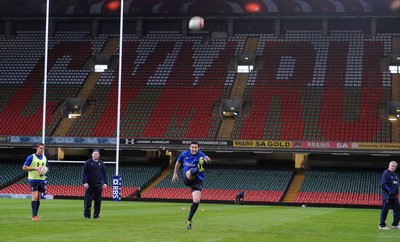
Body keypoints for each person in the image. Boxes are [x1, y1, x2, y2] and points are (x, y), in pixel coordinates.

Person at [172, 141, 211, 230]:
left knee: (196, 200)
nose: (194, 149)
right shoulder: (184, 154)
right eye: (192, 147)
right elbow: (178, 163)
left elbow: (207, 159)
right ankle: (198, 168)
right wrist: (175, 174)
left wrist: (208, 159)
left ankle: (189, 220)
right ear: (190, 148)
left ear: (198, 148)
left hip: (197, 180)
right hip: (187, 176)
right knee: (190, 173)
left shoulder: (201, 154)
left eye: (195, 147)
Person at [22, 143, 48, 221]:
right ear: (37, 148)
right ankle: (33, 216)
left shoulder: (45, 158)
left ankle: (36, 215)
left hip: (42, 179)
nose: (42, 150)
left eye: (43, 148)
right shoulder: (31, 157)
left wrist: (43, 171)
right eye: (40, 148)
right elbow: (24, 167)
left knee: (39, 198)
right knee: (35, 197)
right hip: (33, 179)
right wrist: (35, 168)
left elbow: (46, 168)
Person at [82, 149, 108, 219]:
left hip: (98, 185)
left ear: (99, 155)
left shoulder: (101, 163)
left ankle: (96, 216)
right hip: (89, 185)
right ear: (92, 154)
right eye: (94, 154)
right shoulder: (87, 162)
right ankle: (87, 215)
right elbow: (84, 173)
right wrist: (84, 182)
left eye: (97, 154)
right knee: (88, 201)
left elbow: (104, 174)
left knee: (98, 202)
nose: (96, 155)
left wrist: (105, 183)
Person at [379, 161, 400, 230]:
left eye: (395, 166)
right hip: (387, 195)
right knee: (385, 210)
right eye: (392, 166)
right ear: (389, 165)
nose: (393, 167)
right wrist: (389, 191)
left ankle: (395, 224)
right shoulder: (386, 173)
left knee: (398, 209)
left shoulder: (394, 174)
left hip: (394, 196)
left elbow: (395, 185)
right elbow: (383, 184)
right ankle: (382, 225)